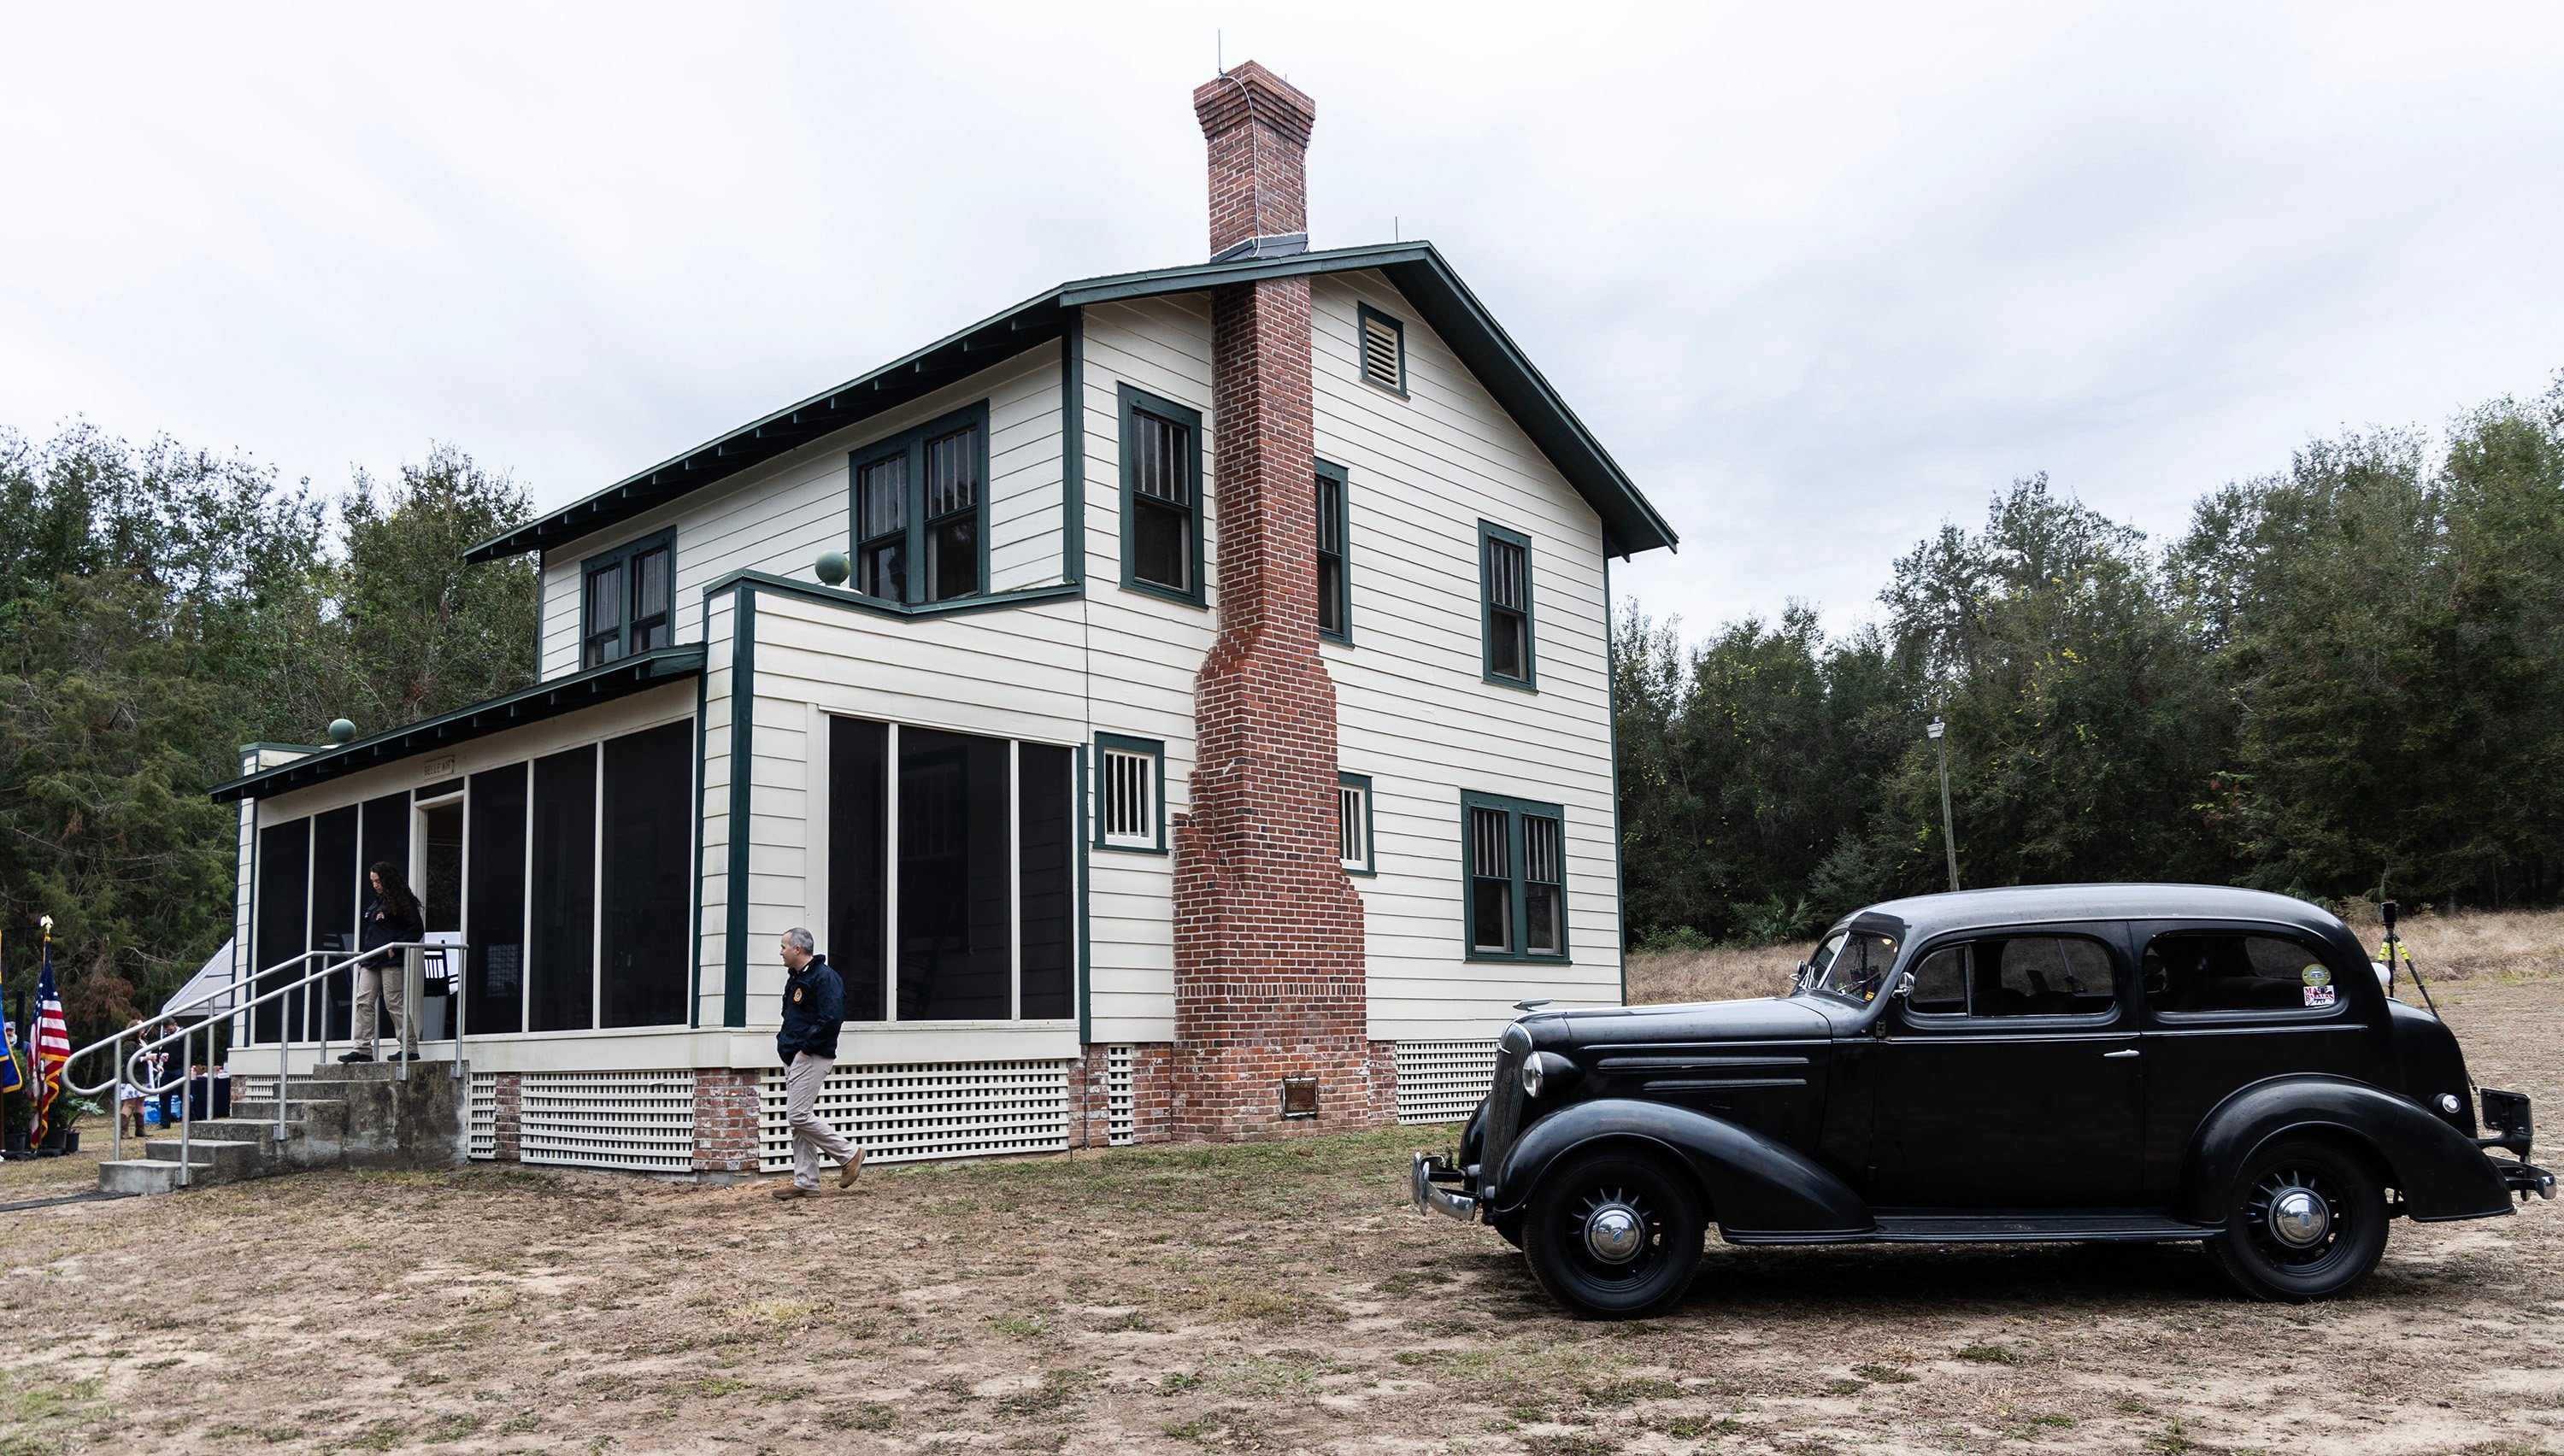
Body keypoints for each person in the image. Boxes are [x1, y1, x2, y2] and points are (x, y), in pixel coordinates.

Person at [774, 927, 863, 1200]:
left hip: (813, 1056)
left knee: (798, 1115)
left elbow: (830, 1019)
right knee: (799, 1121)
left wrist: (805, 1049)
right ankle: (806, 1181)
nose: (781, 951)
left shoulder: (825, 978)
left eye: (784, 946)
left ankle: (849, 1154)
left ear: (798, 949)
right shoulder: (797, 978)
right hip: (796, 1056)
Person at [342, 861, 425, 1063]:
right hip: (371, 960)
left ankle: (409, 1047)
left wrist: (395, 947)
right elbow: (372, 933)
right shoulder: (377, 902)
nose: (375, 885)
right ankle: (362, 1049)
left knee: (393, 1002)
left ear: (387, 880)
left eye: (378, 881)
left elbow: (416, 930)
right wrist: (362, 959)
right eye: (373, 881)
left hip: (390, 961)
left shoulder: (402, 901)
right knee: (363, 1001)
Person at [118, 1019, 150, 1139]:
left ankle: (140, 1129)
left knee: (141, 1101)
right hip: (131, 1076)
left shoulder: (144, 1041)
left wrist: (157, 1064)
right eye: (141, 1026)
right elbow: (127, 1060)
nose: (144, 1028)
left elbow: (147, 1056)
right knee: (129, 1102)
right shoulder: (129, 1044)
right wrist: (144, 1059)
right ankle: (123, 1131)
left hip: (143, 1075)